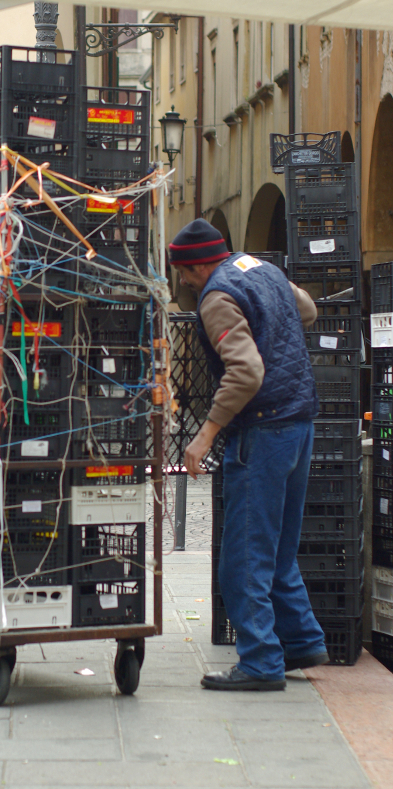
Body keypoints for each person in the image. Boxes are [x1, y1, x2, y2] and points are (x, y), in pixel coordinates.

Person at [168, 218, 329, 691]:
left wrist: (205, 435)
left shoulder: (216, 298)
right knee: (277, 549)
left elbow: (245, 372)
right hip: (300, 423)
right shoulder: (262, 269)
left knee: (244, 553)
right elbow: (308, 311)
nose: (183, 282)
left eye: (184, 273)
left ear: (196, 266)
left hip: (262, 431)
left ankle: (260, 662)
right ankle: (301, 641)